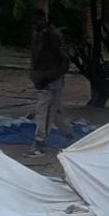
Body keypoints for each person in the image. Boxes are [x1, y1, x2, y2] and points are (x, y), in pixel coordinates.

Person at [28, 8, 73, 155]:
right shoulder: (39, 35)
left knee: (45, 111)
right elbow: (36, 60)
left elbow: (65, 61)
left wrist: (48, 77)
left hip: (51, 79)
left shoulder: (54, 36)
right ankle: (68, 134)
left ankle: (40, 142)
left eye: (36, 21)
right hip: (45, 79)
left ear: (43, 20)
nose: (35, 25)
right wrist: (37, 76)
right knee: (51, 110)